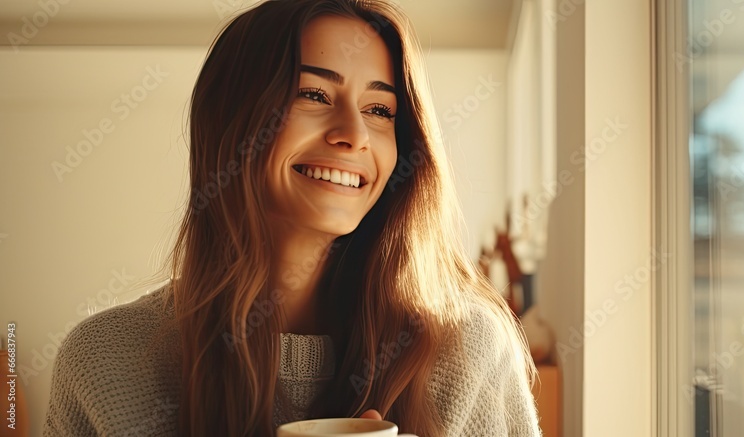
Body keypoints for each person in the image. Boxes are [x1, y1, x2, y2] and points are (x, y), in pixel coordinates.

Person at [42, 1, 540, 436]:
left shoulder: (471, 348)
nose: (354, 134)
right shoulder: (104, 361)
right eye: (315, 95)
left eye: (380, 109)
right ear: (232, 124)